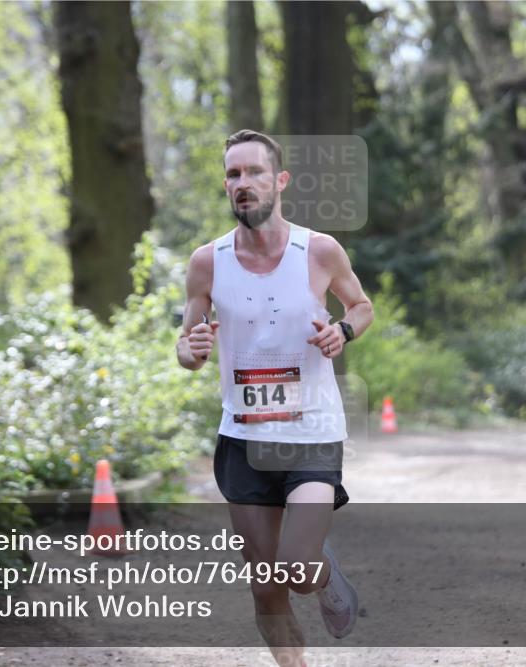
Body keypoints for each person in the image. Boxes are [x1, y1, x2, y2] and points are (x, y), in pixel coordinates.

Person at [176, 130, 374, 667]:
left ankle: (326, 579)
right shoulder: (207, 262)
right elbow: (187, 347)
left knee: (296, 569)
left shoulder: (320, 250)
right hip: (243, 438)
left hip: (310, 431)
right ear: (226, 187)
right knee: (266, 588)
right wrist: (191, 348)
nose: (244, 184)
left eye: (254, 172)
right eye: (234, 175)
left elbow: (360, 307)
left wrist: (344, 332)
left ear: (279, 180)